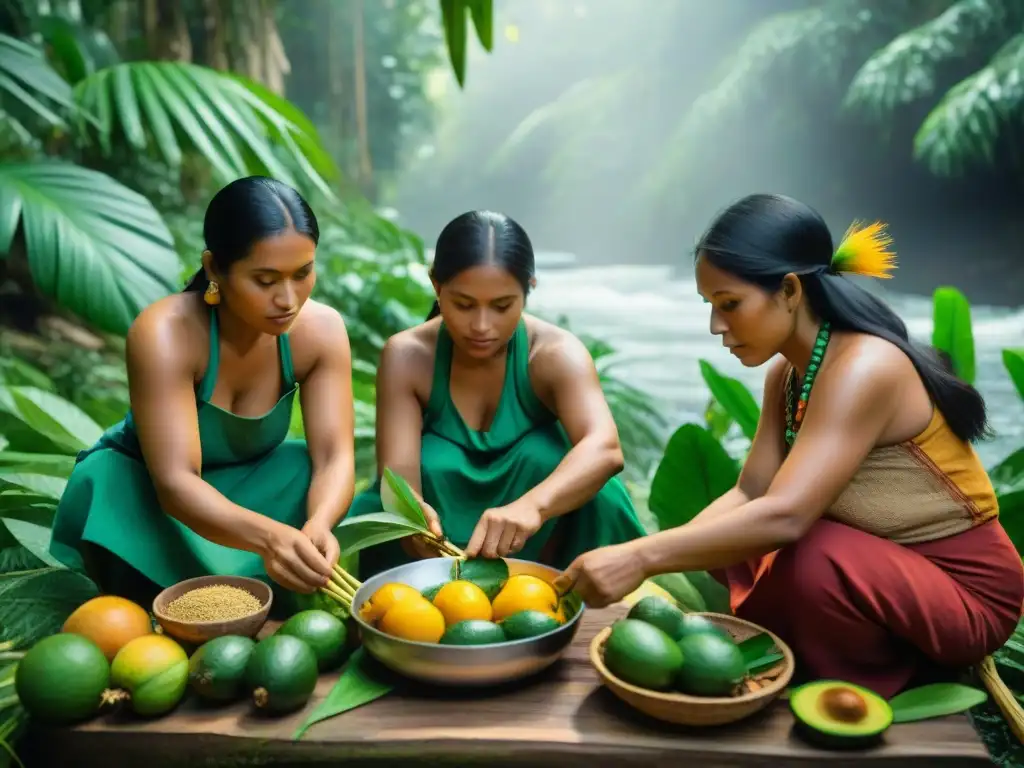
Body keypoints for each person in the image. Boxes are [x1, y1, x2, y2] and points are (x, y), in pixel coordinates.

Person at [552, 193, 1024, 697]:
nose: (717, 327)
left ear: (791, 290)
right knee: (731, 545)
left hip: (965, 594)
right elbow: (751, 492)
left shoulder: (865, 367)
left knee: (805, 551)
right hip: (886, 567)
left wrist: (643, 558)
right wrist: (641, 557)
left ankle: (878, 671)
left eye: (730, 304)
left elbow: (787, 516)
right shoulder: (789, 371)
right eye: (711, 307)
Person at [50, 176, 356, 609]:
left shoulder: (320, 331)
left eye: (302, 274)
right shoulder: (164, 333)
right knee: (111, 482)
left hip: (255, 491)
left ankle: (276, 579)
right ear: (215, 269)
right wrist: (271, 539)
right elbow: (176, 484)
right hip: (155, 501)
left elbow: (335, 455)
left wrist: (319, 524)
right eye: (265, 280)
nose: (288, 299)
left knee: (304, 467)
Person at [344, 210, 648, 578]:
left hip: (546, 528)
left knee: (573, 473)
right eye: (464, 304)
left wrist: (532, 507)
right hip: (436, 540)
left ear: (529, 288)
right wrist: (413, 520)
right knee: (430, 466)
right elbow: (399, 479)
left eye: (502, 306)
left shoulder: (554, 354)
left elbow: (605, 448)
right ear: (436, 287)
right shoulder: (408, 356)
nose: (482, 326)